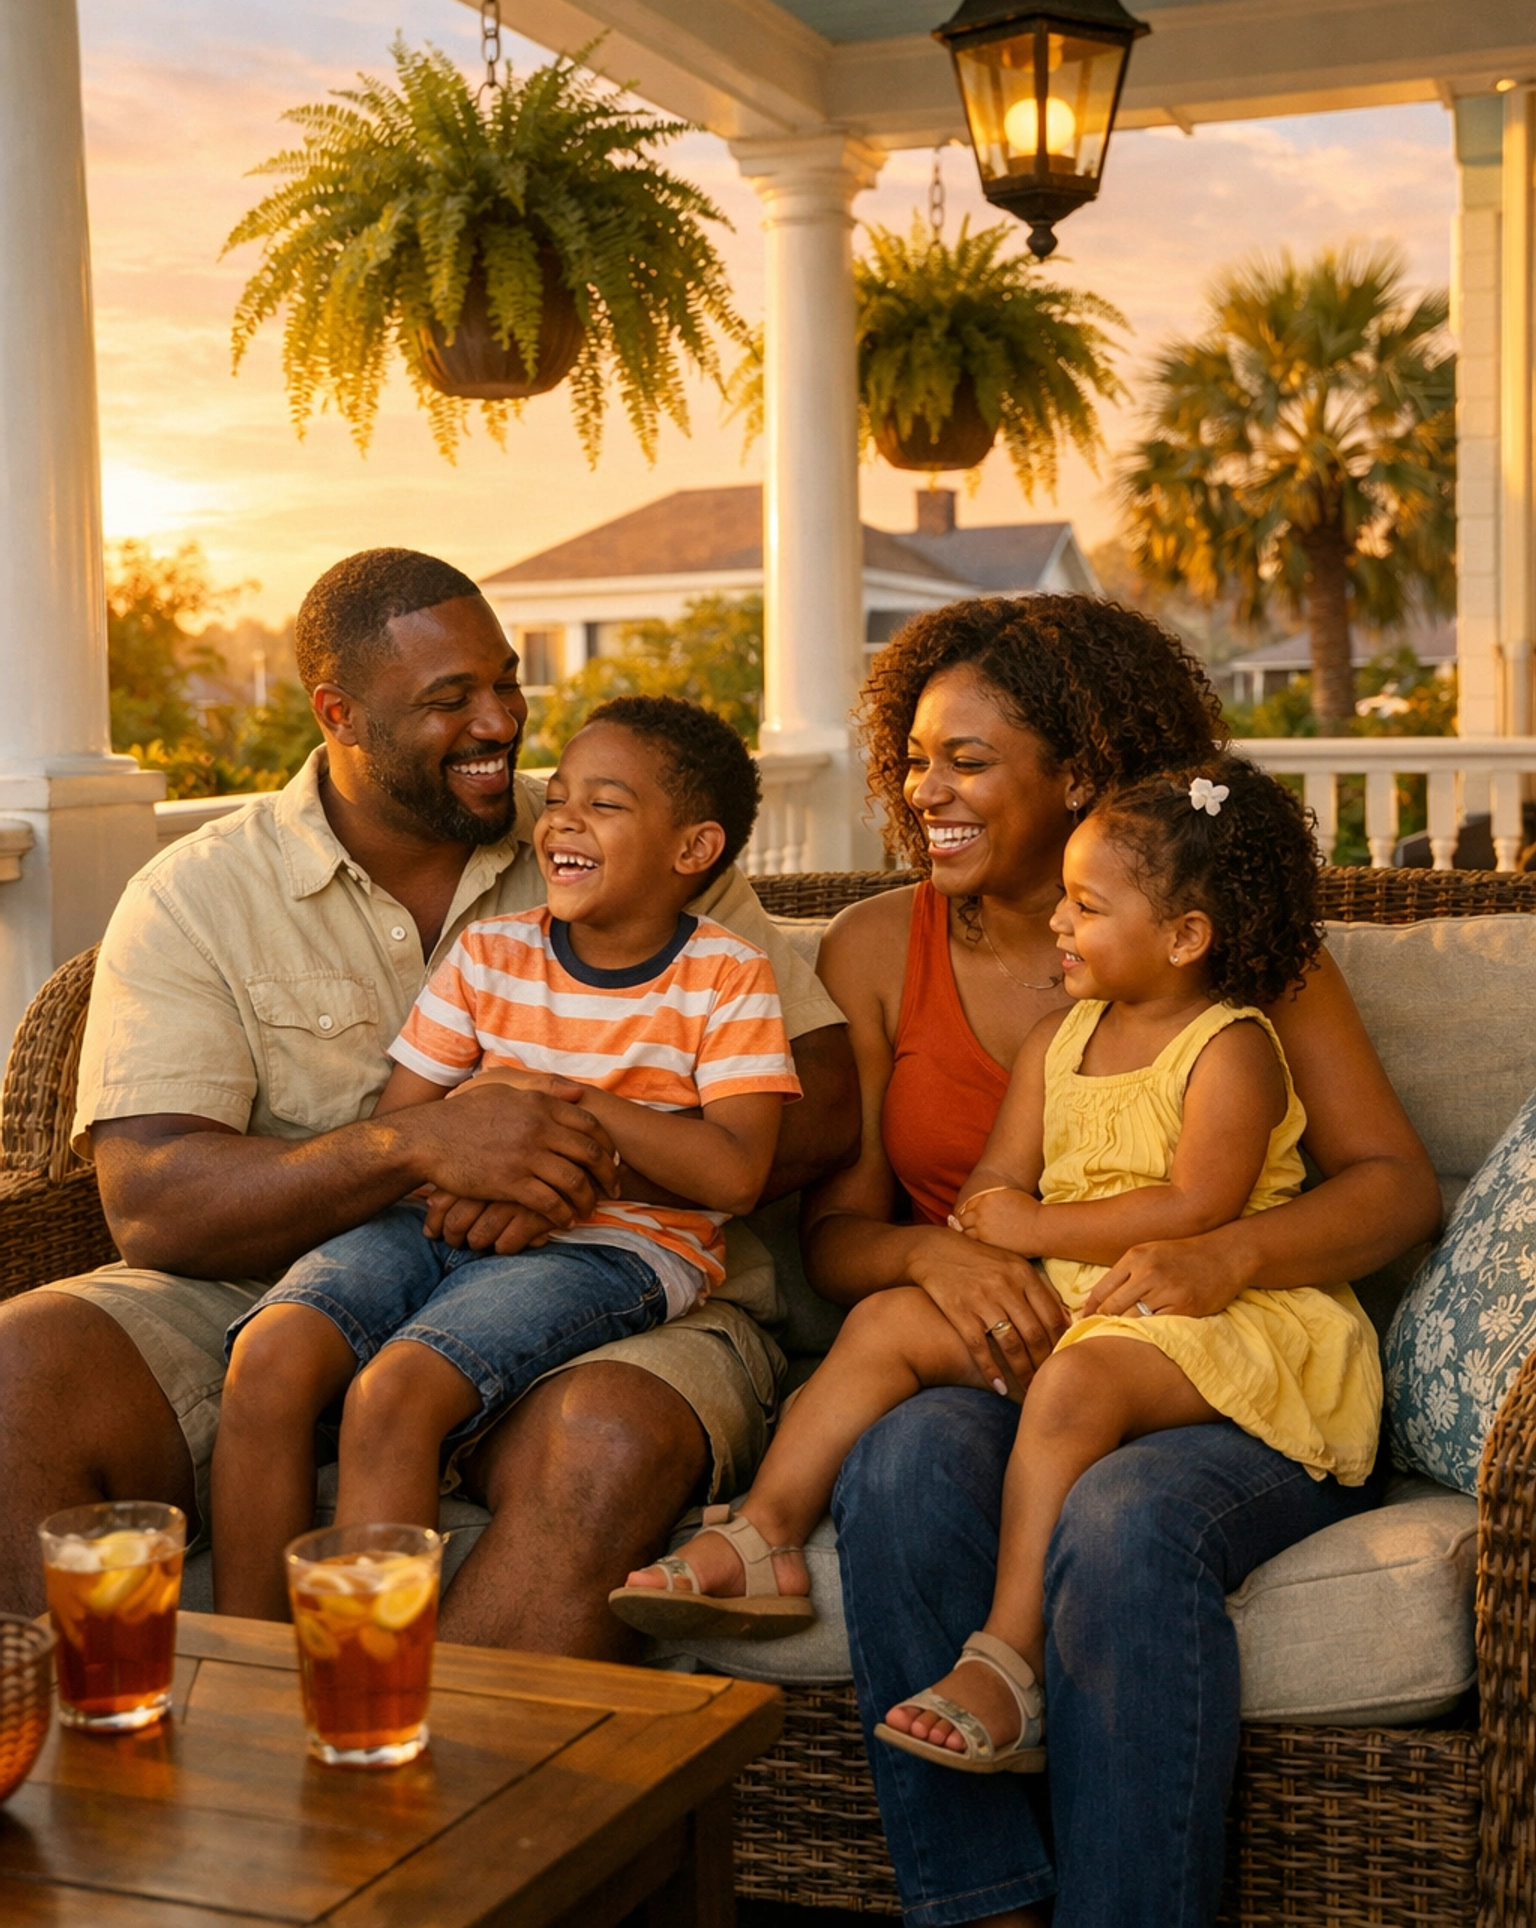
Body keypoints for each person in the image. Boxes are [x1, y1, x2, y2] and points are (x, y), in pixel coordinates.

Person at [0, 551, 859, 1648]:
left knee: (601, 1439)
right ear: (338, 713)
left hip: (630, 1289)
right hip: (300, 1271)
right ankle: (149, 1769)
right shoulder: (199, 894)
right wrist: (422, 1150)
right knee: (19, 1366)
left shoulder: (627, 832)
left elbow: (822, 1103)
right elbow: (156, 1206)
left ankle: (410, 1791)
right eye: (452, 700)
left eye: (505, 683)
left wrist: (548, 1164)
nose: (501, 722)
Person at [786, 597, 1440, 1928]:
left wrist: (1227, 1255)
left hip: (1208, 1356)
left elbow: (1395, 1189)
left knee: (1127, 1518)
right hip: (1009, 1343)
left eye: (965, 761)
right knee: (902, 1465)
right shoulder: (870, 950)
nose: (926, 795)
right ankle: (981, 1909)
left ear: (1077, 775)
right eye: (914, 760)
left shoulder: (1235, 953)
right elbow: (837, 1236)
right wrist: (937, 1258)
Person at [610, 759, 1381, 1790]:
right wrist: (987, 1221)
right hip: (1079, 1291)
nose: (1059, 923)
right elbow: (994, 1184)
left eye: (1088, 906)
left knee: (1073, 1385)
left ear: (1186, 937)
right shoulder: (1057, 1041)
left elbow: (1199, 1207)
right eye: (1063, 896)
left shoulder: (1229, 1046)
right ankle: (768, 1532)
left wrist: (1033, 1221)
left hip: (1204, 1306)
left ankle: (1007, 1660)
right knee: (887, 1321)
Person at [213, 694, 802, 1615]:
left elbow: (735, 1172)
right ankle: (244, 1675)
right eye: (559, 796)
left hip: (615, 1250)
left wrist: (559, 1111)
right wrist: (486, 1139)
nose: (562, 819)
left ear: (694, 850)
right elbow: (415, 1129)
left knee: (394, 1396)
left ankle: (373, 1699)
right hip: (440, 1218)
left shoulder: (726, 976)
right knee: (271, 1357)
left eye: (604, 805)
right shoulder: (489, 954)